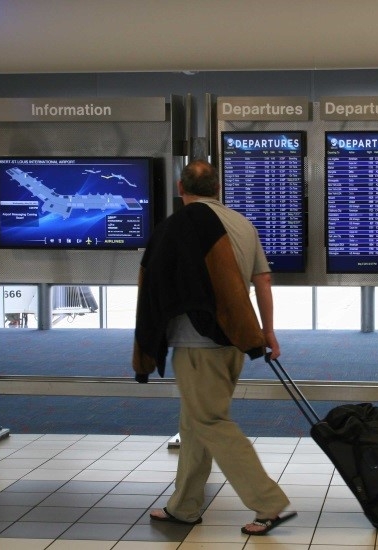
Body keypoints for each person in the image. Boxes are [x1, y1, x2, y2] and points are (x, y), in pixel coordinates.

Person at [132, 159, 295, 536]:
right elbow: (263, 281)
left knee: (209, 422)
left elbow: (153, 286)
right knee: (193, 424)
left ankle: (268, 503)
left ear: (180, 187)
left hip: (196, 344)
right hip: (236, 340)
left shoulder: (176, 227)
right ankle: (184, 506)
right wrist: (267, 332)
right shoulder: (242, 224)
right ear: (218, 188)